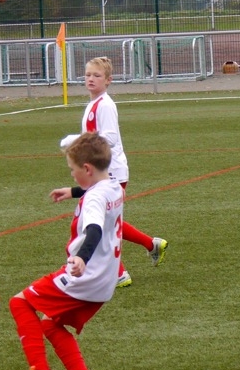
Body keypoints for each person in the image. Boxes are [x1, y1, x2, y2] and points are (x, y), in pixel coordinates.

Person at [8, 133, 122, 370]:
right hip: (106, 280)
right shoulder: (114, 185)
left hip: (85, 276)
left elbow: (93, 230)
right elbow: (96, 190)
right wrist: (72, 191)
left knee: (20, 303)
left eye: (72, 170)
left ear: (87, 169)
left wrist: (82, 258)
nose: (71, 174)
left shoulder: (93, 200)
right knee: (50, 324)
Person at [52, 56, 167, 288]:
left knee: (99, 222)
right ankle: (150, 245)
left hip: (110, 172)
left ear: (108, 80)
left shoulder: (105, 105)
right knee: (106, 220)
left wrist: (76, 139)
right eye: (88, 75)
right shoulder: (94, 103)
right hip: (101, 171)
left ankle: (119, 273)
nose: (91, 79)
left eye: (97, 75)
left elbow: (110, 138)